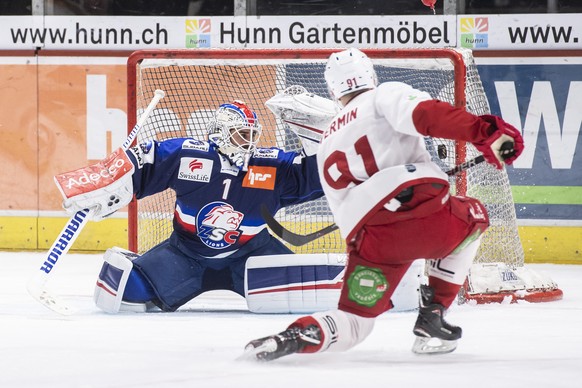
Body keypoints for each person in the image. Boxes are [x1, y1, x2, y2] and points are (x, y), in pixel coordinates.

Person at [241, 48, 524, 360]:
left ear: (334, 90)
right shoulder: (383, 95)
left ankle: (290, 338)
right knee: (475, 217)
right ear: (370, 76)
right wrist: (485, 133)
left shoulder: (326, 142)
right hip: (424, 214)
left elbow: (346, 212)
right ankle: (434, 312)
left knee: (355, 323)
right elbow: (426, 115)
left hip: (373, 243)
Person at [59, 98, 330, 313]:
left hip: (253, 254)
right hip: (185, 255)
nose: (247, 142)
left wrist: (320, 139)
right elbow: (143, 163)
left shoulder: (267, 167)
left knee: (307, 294)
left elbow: (311, 177)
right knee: (120, 293)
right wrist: (104, 185)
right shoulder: (190, 157)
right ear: (220, 133)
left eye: (251, 135)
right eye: (239, 134)